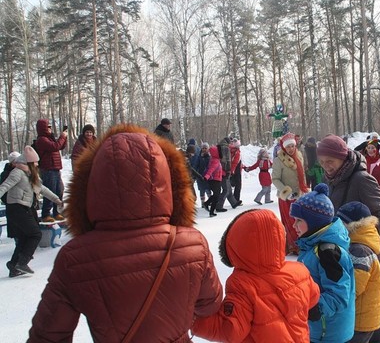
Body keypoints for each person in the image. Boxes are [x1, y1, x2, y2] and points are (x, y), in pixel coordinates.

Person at [29, 125, 223, 342]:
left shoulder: (74, 258)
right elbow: (210, 304)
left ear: (91, 184)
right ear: (169, 180)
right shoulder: (192, 245)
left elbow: (47, 335)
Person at [192, 209, 320, 342]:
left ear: (235, 246)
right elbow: (313, 305)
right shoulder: (300, 272)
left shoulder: (242, 285)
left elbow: (230, 330)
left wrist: (194, 320)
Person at [317, 134, 380, 342]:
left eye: (330, 161)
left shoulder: (361, 179)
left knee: (359, 305)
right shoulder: (330, 179)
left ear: (342, 157)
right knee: (361, 307)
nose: (326, 166)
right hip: (340, 249)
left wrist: (362, 240)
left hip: (361, 251)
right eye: (322, 163)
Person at [290, 184, 355, 343]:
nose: (294, 225)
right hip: (320, 328)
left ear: (314, 223)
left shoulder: (328, 252)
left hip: (330, 332)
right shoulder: (311, 246)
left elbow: (338, 295)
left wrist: (313, 308)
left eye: (299, 220)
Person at [0, 146, 63, 277]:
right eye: (35, 162)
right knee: (35, 234)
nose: (37, 165)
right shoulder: (17, 172)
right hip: (16, 208)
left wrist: (57, 200)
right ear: (28, 162)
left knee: (24, 237)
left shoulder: (30, 174)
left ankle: (13, 265)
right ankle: (22, 262)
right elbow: (4, 186)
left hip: (23, 208)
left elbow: (43, 189)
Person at [337, 201, 380, 343]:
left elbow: (354, 287)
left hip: (360, 320)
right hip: (366, 314)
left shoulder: (359, 251)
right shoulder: (360, 242)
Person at [272, 132, 311, 255]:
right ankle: (294, 246)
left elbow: (302, 175)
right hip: (287, 198)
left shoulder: (299, 156)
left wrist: (305, 189)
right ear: (283, 147)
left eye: (292, 146)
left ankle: (302, 244)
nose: (290, 149)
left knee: (302, 222)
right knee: (291, 223)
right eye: (288, 146)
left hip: (299, 196)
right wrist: (286, 192)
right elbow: (275, 179)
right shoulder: (279, 160)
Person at [35, 119, 67, 223]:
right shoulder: (42, 140)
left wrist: (64, 137)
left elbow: (60, 146)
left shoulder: (49, 138)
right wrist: (62, 137)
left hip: (55, 168)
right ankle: (46, 214)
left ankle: (57, 212)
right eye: (48, 127)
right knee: (50, 192)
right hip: (48, 169)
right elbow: (55, 147)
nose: (50, 129)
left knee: (59, 190)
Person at [216, 137, 241, 212]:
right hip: (224, 171)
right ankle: (219, 206)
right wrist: (229, 171)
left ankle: (234, 203)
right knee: (226, 190)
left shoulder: (220, 147)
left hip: (220, 170)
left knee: (228, 188)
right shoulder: (226, 149)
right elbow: (227, 161)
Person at [202, 145, 224, 218]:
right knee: (216, 196)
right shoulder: (215, 160)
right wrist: (206, 176)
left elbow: (218, 169)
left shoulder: (215, 159)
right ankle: (210, 210)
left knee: (216, 195)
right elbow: (211, 170)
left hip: (216, 179)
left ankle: (208, 205)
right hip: (214, 180)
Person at [229, 138, 243, 205]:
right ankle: (236, 200)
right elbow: (235, 162)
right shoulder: (237, 152)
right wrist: (232, 171)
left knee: (231, 185)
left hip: (233, 170)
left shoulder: (230, 150)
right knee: (238, 185)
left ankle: (234, 200)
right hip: (236, 171)